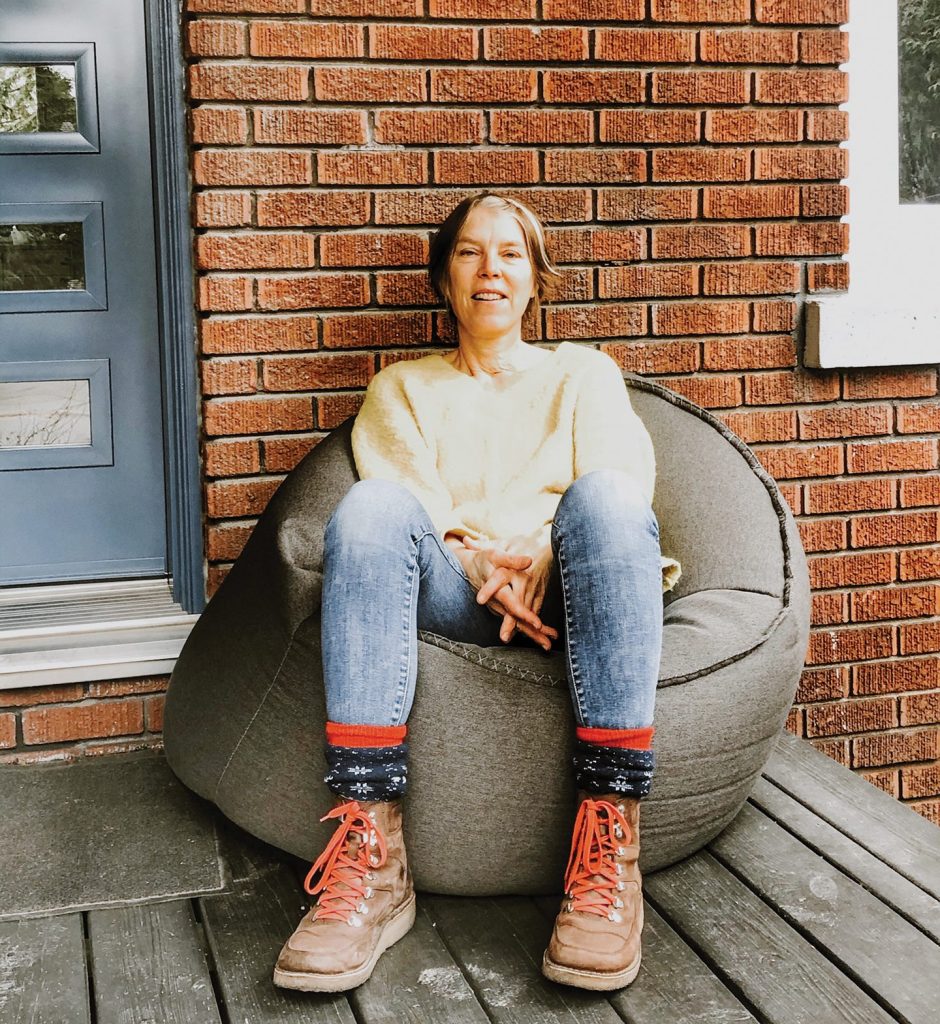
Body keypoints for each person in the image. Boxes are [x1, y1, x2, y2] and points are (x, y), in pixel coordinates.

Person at [272, 191, 682, 994]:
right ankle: (370, 849)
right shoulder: (402, 388)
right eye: (468, 252)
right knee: (368, 509)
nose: (489, 268)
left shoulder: (581, 373)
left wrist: (537, 546)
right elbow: (413, 505)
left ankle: (610, 842)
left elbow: (623, 480)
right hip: (459, 591)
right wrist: (482, 570)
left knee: (603, 500)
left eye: (510, 253)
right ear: (443, 278)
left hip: (573, 581)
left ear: (535, 281)